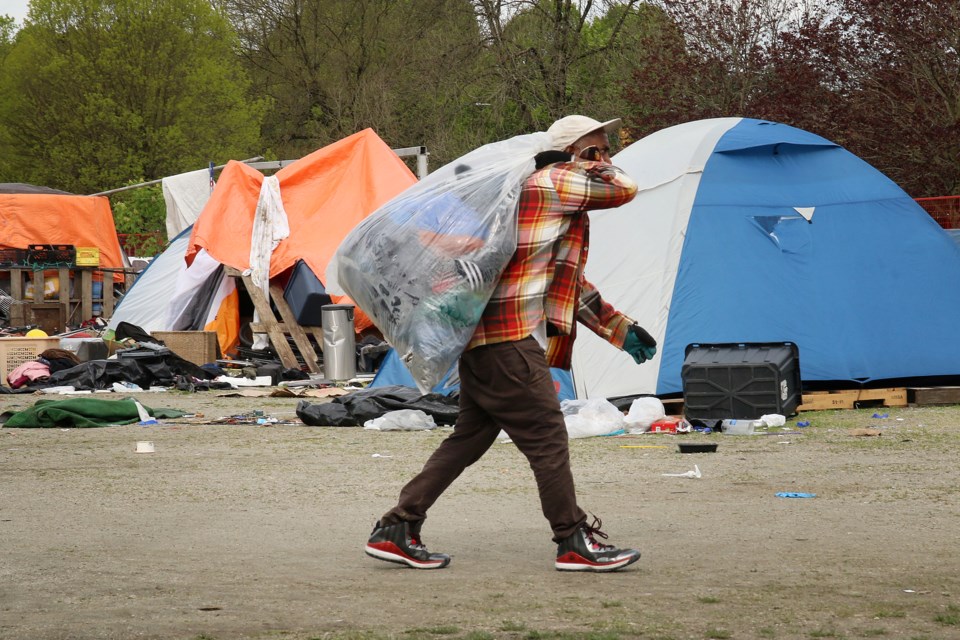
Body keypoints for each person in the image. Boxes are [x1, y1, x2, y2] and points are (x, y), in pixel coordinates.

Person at [364, 115, 658, 572]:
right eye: (601, 147)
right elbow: (625, 188)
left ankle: (397, 527)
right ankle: (573, 540)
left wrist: (619, 328)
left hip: (486, 340)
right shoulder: (555, 181)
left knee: (468, 439)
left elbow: (562, 281)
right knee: (547, 437)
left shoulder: (541, 195)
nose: (609, 155)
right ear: (576, 150)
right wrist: (592, 164)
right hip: (507, 341)